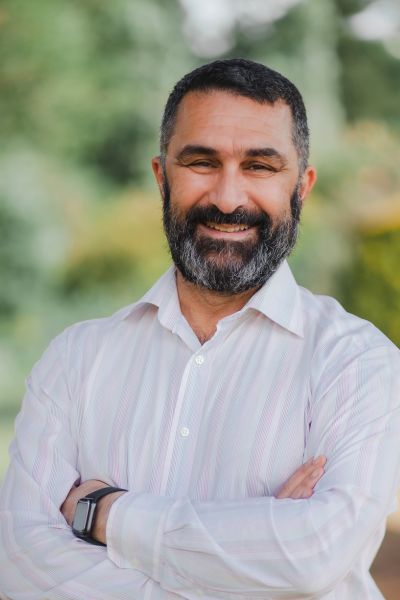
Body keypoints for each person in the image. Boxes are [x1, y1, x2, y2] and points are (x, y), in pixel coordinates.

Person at [0, 58, 399, 600]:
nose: (229, 198)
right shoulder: (75, 359)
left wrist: (103, 514)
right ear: (162, 176)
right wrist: (253, 560)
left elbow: (312, 559)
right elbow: (21, 568)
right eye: (201, 162)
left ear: (300, 186)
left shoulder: (358, 361)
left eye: (260, 166)